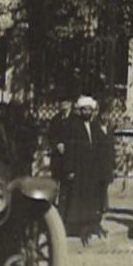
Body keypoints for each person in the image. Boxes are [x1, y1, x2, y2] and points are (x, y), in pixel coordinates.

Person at [53, 95, 112, 242]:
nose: (87, 112)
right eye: (84, 110)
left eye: (89, 110)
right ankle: (73, 227)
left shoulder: (94, 126)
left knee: (88, 199)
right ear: (80, 111)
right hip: (77, 168)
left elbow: (101, 146)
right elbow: (70, 150)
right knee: (75, 199)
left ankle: (87, 225)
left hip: (90, 171)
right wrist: (69, 170)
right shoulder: (73, 126)